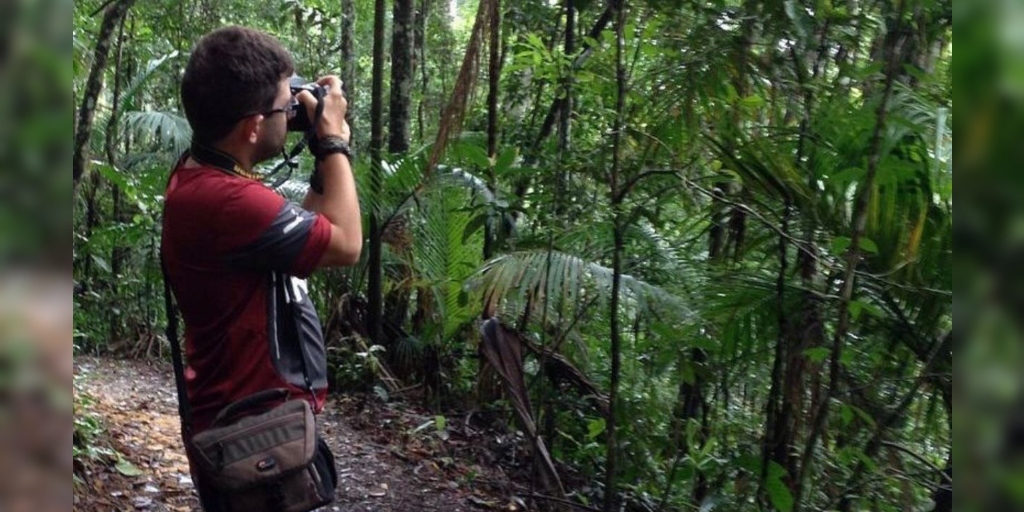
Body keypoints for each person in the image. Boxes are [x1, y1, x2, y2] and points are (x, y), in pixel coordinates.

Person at [160, 26, 361, 510]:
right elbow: (347, 244)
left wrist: (318, 149)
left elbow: (308, 232)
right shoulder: (229, 200)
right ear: (251, 126)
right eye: (284, 103)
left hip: (243, 418)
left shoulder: (203, 173)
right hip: (252, 431)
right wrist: (333, 141)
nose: (292, 111)